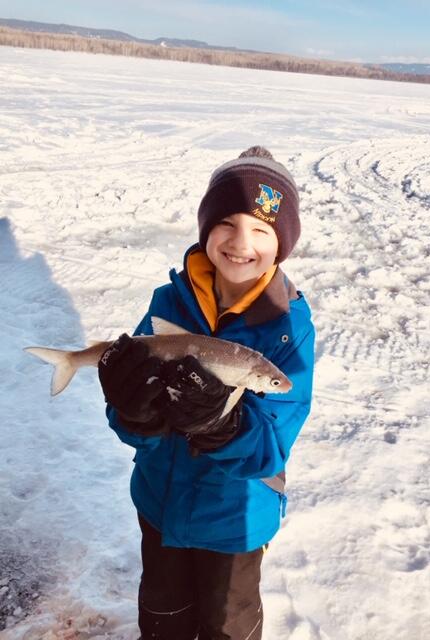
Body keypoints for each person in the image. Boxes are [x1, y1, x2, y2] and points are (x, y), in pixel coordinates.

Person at [98, 146, 315, 640]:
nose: (242, 242)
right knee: (162, 615)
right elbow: (133, 421)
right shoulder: (168, 302)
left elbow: (272, 443)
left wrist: (222, 425)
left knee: (228, 625)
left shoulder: (289, 330)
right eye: (228, 224)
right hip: (160, 502)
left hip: (234, 521)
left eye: (261, 230)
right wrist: (134, 412)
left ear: (281, 244)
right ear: (205, 229)